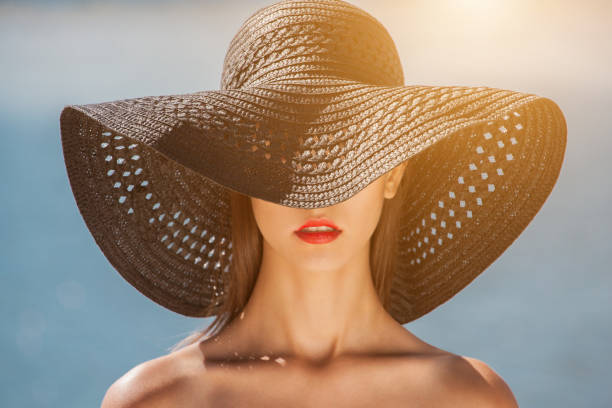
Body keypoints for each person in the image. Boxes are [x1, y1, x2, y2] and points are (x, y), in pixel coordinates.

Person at [59, 0, 566, 406]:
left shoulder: (468, 398)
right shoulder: (156, 401)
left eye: (346, 152)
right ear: (236, 177)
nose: (316, 192)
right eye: (279, 152)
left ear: (393, 173)